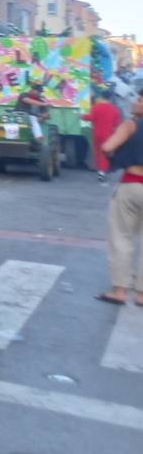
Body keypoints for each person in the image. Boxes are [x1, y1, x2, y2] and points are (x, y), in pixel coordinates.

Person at [97, 94, 143, 306]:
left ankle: (120, 291)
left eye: (140, 100)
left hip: (132, 184)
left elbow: (107, 147)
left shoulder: (130, 125)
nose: (135, 102)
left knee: (121, 237)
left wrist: (115, 158)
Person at [89, 90, 123, 184]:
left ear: (101, 97)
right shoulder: (114, 109)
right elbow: (117, 123)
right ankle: (102, 171)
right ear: (110, 97)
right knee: (105, 152)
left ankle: (99, 169)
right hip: (108, 133)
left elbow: (91, 118)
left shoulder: (96, 107)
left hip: (96, 132)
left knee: (97, 152)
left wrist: (82, 116)